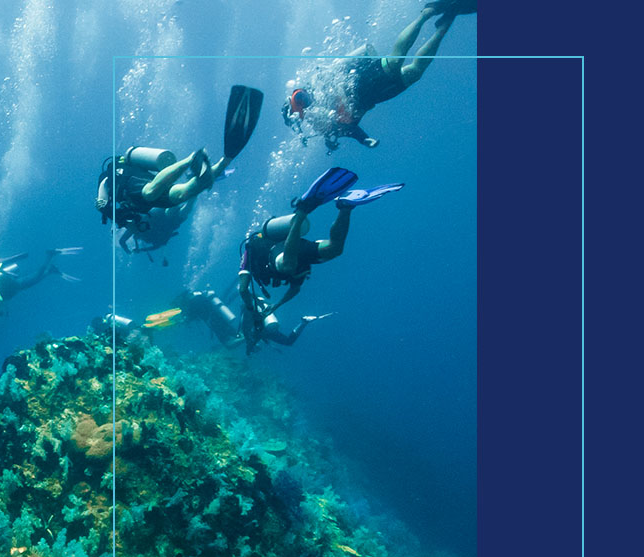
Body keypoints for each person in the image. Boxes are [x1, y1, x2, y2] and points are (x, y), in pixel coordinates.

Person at [281, 1, 475, 151]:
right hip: (374, 97)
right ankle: (445, 25)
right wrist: (365, 140)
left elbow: (308, 91)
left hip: (362, 81)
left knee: (395, 60)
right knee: (415, 73)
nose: (301, 116)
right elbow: (350, 130)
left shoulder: (303, 96)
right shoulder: (320, 125)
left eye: (296, 113)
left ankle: (427, 13)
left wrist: (330, 108)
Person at [238, 167, 403, 343]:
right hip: (293, 248)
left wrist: (251, 310)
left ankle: (301, 211)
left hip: (278, 252)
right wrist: (276, 306)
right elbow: (295, 288)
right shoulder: (259, 257)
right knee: (334, 249)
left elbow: (243, 289)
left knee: (287, 266)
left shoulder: (249, 250)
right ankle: (345, 207)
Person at [98, 85, 264, 252]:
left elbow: (101, 200)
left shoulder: (109, 178)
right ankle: (224, 161)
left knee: (149, 193)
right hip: (150, 193)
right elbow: (126, 232)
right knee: (182, 194)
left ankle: (190, 159)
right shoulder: (130, 216)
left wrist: (110, 212)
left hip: (134, 184)